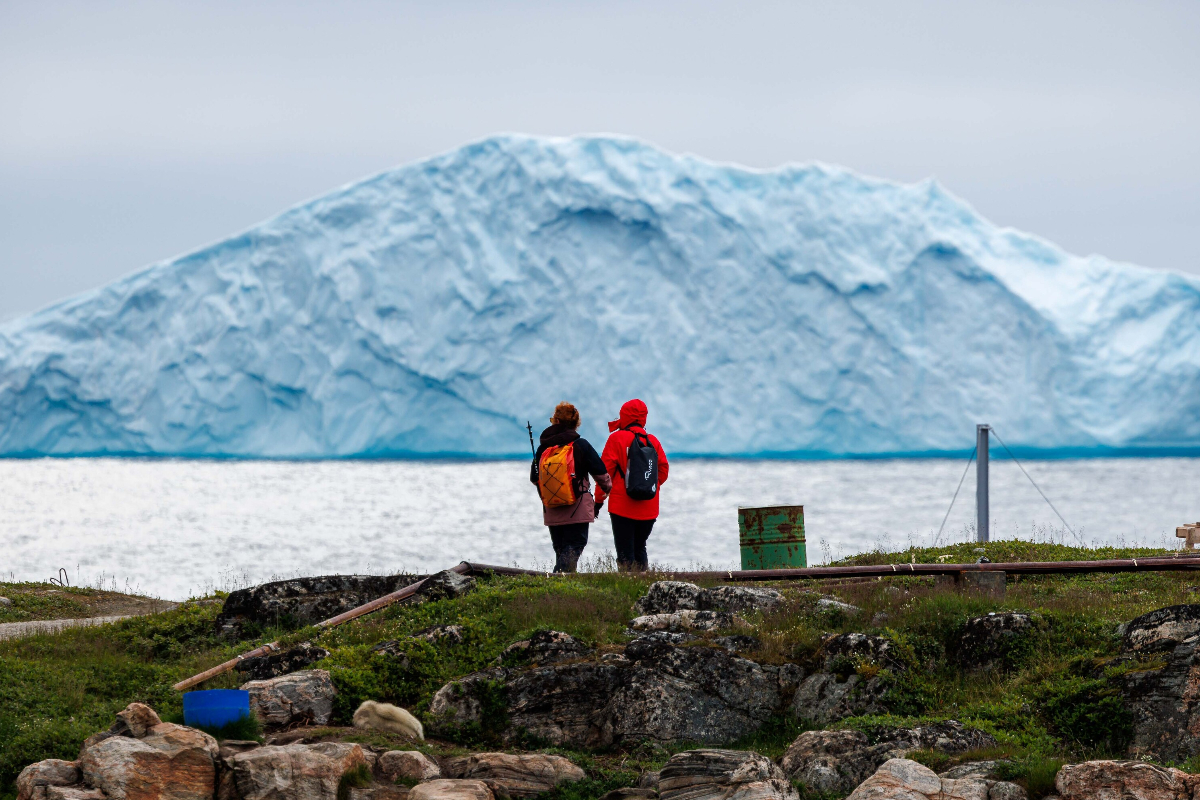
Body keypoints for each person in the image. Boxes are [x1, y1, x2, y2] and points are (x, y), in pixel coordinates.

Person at [530, 402, 611, 573]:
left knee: (561, 550)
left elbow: (534, 478)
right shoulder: (581, 445)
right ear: (575, 423)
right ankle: (558, 583)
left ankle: (559, 584)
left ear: (556, 421)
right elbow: (602, 475)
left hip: (552, 509)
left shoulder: (543, 448)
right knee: (574, 546)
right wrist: (605, 492)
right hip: (577, 509)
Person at [594, 398, 669, 571]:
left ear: (624, 416)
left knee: (625, 553)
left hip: (622, 506)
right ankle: (644, 583)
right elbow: (663, 470)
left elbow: (604, 475)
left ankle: (627, 585)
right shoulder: (653, 441)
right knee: (640, 547)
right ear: (644, 418)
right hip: (649, 507)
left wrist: (598, 501)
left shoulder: (616, 438)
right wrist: (649, 486)